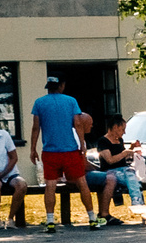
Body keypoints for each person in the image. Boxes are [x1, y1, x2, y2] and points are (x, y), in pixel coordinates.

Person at [28, 76, 97, 229]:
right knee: (82, 182)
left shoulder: (39, 102)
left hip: (50, 151)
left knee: (50, 185)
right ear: (62, 85)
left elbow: (35, 127)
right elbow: (78, 123)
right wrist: (82, 143)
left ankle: (50, 220)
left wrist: (32, 148)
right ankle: (92, 217)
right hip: (70, 150)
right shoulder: (71, 101)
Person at [91, 114, 144, 219]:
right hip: (110, 171)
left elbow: (121, 157)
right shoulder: (103, 141)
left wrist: (132, 148)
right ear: (115, 127)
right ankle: (137, 201)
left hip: (124, 170)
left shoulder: (120, 140)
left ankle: (137, 201)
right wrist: (125, 153)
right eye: (122, 129)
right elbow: (110, 160)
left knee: (131, 174)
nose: (124, 132)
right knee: (131, 177)